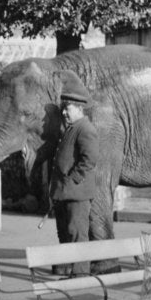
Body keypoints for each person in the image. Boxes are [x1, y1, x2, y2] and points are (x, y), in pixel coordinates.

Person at [49, 81, 100, 276]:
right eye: (63, 109)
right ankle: (67, 266)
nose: (63, 113)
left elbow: (90, 160)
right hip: (65, 193)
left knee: (77, 233)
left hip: (76, 194)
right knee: (65, 232)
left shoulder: (85, 129)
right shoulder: (72, 128)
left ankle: (80, 273)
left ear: (79, 108)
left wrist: (72, 180)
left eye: (67, 109)